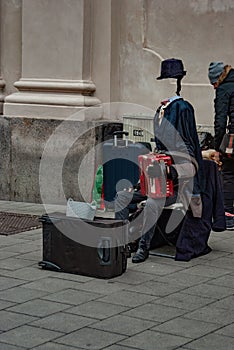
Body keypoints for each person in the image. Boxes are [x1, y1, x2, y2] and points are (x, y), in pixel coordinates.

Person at [115, 58, 206, 263]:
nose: (165, 85)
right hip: (157, 178)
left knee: (154, 201)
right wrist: (142, 181)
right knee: (122, 196)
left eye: (170, 80)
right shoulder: (160, 110)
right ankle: (122, 244)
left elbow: (190, 149)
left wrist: (173, 172)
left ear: (177, 82)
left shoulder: (183, 109)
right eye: (163, 80)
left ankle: (143, 247)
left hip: (177, 184)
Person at [208, 62, 234, 230]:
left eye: (213, 84)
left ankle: (228, 216)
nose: (214, 87)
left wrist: (218, 147)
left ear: (218, 79)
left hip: (233, 135)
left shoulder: (225, 88)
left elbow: (220, 121)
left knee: (228, 172)